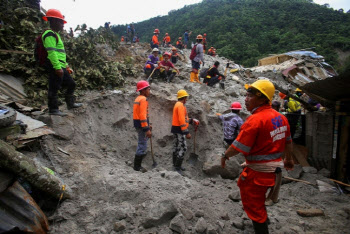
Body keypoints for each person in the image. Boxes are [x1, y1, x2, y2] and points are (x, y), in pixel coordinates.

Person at [221, 79, 294, 234]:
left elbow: (238, 147)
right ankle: (264, 220)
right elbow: (288, 141)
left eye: (250, 96)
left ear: (262, 98)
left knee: (254, 207)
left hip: (259, 174)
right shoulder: (281, 118)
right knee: (261, 201)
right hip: (276, 172)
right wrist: (289, 159)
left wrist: (225, 155)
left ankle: (262, 228)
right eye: (246, 95)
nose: (246, 99)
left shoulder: (254, 120)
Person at [42, 9, 82, 116]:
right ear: (54, 21)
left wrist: (66, 66)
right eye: (61, 23)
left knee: (71, 84)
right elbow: (52, 52)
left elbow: (60, 54)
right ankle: (53, 109)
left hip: (60, 65)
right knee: (54, 87)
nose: (62, 25)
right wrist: (57, 67)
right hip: (55, 65)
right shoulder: (49, 34)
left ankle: (70, 103)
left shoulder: (55, 35)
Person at [171, 90, 199, 173]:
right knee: (183, 147)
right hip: (180, 130)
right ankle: (177, 167)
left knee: (177, 147)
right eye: (186, 98)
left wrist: (191, 120)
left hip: (176, 128)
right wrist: (186, 132)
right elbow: (181, 120)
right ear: (184, 98)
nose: (186, 99)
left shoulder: (179, 105)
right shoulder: (180, 106)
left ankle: (175, 165)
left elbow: (183, 118)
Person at [133, 81, 152, 172]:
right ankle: (137, 166)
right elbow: (142, 115)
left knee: (142, 142)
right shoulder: (143, 99)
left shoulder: (138, 98)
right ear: (143, 90)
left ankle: (137, 165)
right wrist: (146, 128)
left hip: (138, 124)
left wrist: (148, 125)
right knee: (142, 144)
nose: (149, 91)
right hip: (141, 125)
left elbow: (142, 115)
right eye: (148, 89)